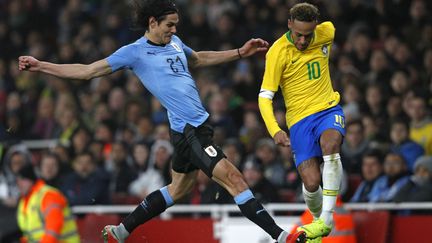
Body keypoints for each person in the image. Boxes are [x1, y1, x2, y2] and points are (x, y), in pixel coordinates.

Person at [18, 1, 306, 243]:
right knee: (234, 179)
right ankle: (281, 237)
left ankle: (121, 231)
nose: (175, 29)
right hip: (192, 130)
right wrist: (42, 65)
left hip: (184, 129)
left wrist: (240, 52)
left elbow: (198, 59)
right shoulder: (134, 52)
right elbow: (87, 71)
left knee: (178, 189)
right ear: (153, 22)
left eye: (176, 24)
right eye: (170, 24)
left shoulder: (176, 42)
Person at [258, 2, 345, 241]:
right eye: (298, 35)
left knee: (331, 146)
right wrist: (274, 129)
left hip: (328, 109)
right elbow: (265, 96)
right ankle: (319, 223)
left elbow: (326, 33)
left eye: (308, 35)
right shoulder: (277, 52)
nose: (303, 41)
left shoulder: (327, 32)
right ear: (289, 25)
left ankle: (326, 218)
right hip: (299, 121)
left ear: (316, 27)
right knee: (311, 182)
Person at [16, 164, 80, 243]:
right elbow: (29, 234)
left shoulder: (48, 195)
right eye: (18, 180)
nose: (19, 184)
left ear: (31, 180)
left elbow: (54, 226)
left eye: (22, 180)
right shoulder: (25, 200)